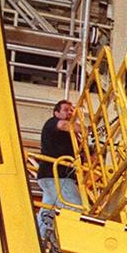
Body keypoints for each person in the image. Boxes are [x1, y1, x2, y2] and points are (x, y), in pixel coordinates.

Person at [37, 99, 82, 244]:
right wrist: (87, 128)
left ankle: (39, 240)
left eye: (72, 110)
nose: (70, 112)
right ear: (56, 113)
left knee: (48, 210)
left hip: (53, 176)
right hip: (56, 175)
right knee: (75, 207)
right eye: (66, 110)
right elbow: (63, 125)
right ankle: (73, 242)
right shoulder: (52, 123)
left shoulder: (71, 137)